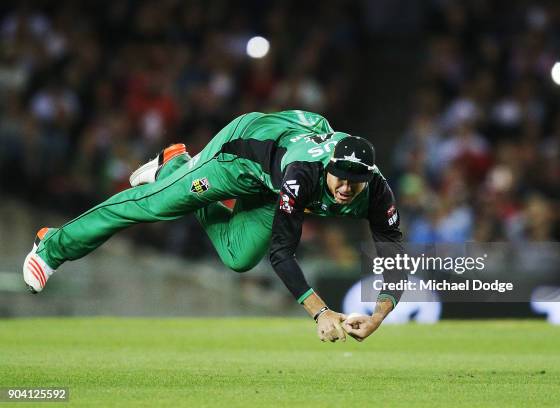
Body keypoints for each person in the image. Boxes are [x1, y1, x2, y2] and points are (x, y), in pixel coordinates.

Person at [23, 110, 404, 342]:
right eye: (340, 177)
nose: (346, 188)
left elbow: (393, 251)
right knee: (154, 204)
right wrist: (321, 313)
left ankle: (174, 165)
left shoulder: (376, 190)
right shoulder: (303, 174)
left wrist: (377, 316)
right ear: (329, 167)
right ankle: (53, 246)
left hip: (273, 172)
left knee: (239, 257)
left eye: (356, 182)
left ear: (370, 178)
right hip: (237, 157)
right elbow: (282, 252)